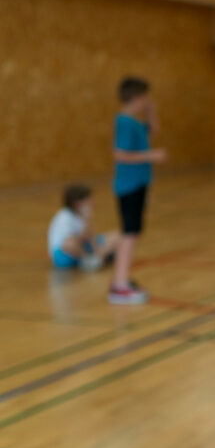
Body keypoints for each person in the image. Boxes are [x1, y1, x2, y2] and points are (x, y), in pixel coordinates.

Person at [111, 76, 166, 305]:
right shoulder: (124, 122)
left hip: (139, 184)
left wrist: (152, 112)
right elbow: (119, 154)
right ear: (135, 97)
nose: (147, 101)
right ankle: (119, 285)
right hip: (128, 185)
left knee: (134, 233)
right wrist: (150, 156)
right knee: (129, 234)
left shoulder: (135, 122)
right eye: (145, 97)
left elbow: (154, 129)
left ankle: (122, 279)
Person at [47, 184, 120, 271]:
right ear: (78, 203)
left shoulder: (83, 215)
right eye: (88, 199)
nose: (93, 201)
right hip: (63, 254)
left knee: (118, 235)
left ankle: (96, 259)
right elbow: (70, 243)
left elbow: (90, 237)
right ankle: (88, 259)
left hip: (82, 247)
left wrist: (98, 251)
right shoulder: (64, 217)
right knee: (70, 243)